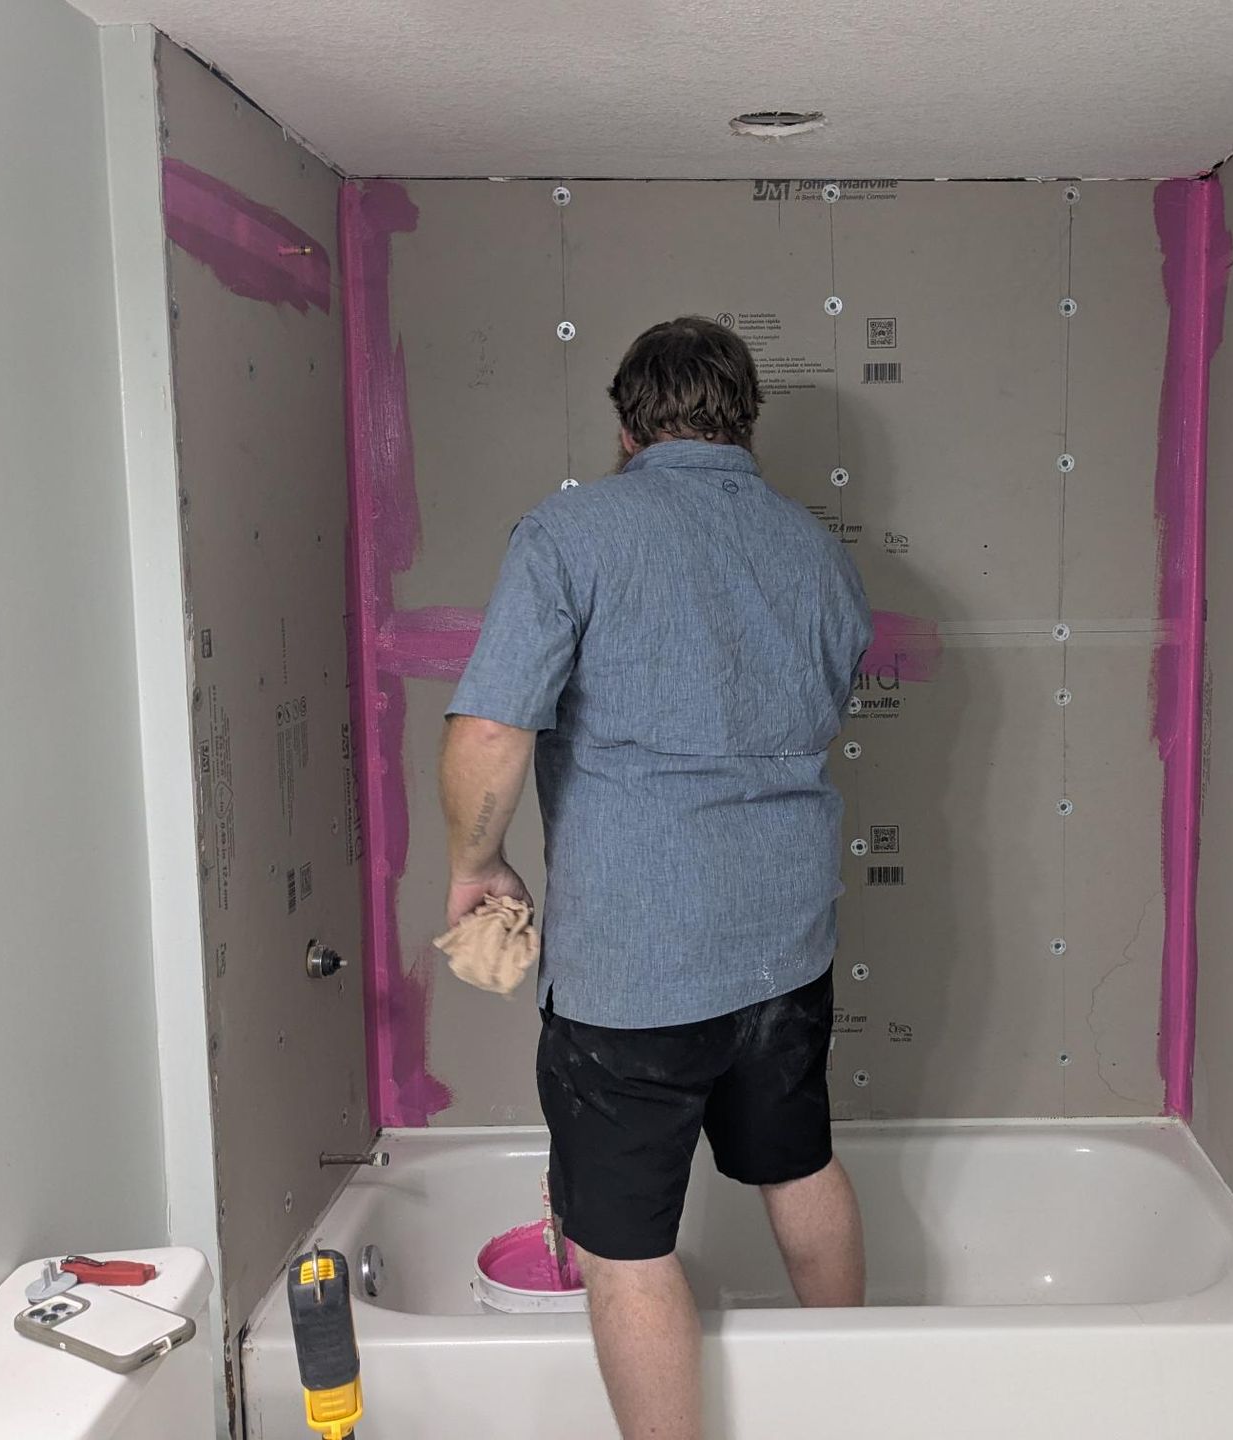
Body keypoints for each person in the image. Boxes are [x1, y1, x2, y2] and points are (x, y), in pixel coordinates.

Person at [439, 316, 872, 1439]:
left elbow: (490, 732)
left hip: (636, 966)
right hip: (787, 946)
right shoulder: (814, 548)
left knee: (625, 1246)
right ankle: (850, 1405)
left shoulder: (573, 531)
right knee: (799, 1165)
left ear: (627, 426)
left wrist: (475, 865)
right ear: (747, 420)